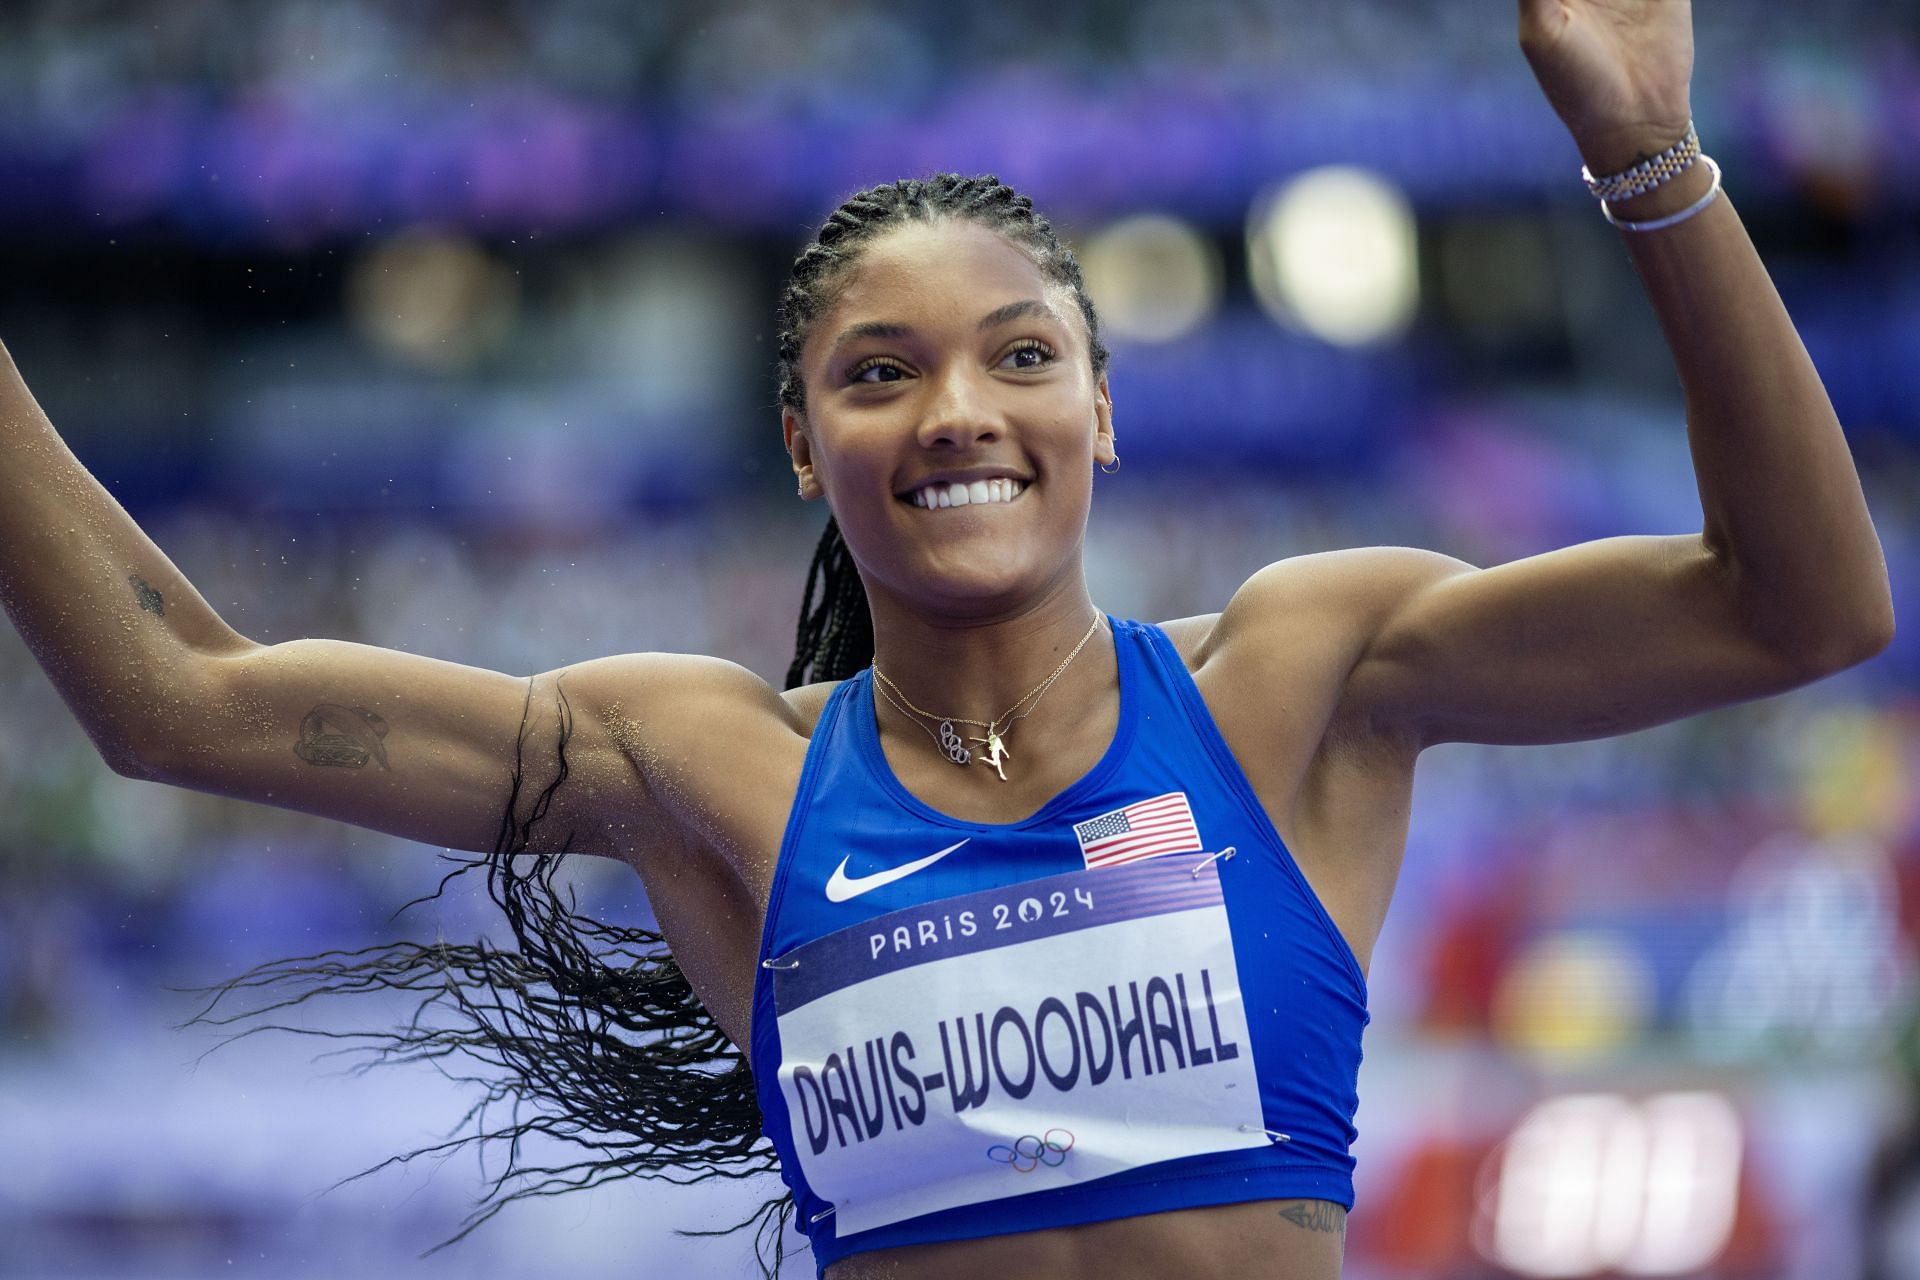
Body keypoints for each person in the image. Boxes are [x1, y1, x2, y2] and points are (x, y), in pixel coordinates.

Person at [0, 2, 1897, 1277]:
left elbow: (1800, 607)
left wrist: (1650, 152)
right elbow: (178, 698)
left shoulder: (1302, 676)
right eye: (881, 374)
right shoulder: (707, 764)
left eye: (1024, 355)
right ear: (805, 443)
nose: (960, 412)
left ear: (1104, 410)